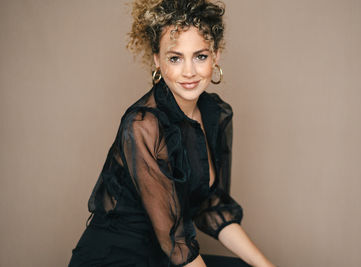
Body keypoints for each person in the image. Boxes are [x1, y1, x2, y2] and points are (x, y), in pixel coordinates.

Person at [69, 0, 276, 266]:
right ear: (157, 60)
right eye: (175, 58)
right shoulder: (143, 125)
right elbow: (177, 243)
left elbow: (211, 208)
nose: (189, 72)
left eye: (200, 56)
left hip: (166, 257)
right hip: (116, 258)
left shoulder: (215, 113)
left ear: (216, 55)